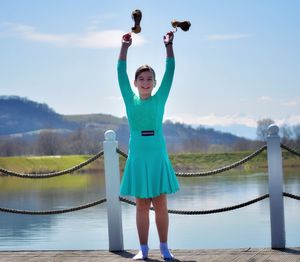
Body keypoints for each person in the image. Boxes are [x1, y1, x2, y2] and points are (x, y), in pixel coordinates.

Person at [117, 31, 179, 260]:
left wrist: (169, 45)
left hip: (157, 154)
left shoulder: (159, 98)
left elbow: (171, 71)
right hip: (138, 155)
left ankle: (164, 248)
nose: (145, 82)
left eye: (149, 79)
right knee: (141, 205)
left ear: (154, 83)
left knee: (161, 204)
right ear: (135, 83)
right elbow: (119, 72)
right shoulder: (129, 98)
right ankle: (143, 250)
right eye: (141, 79)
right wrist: (124, 47)